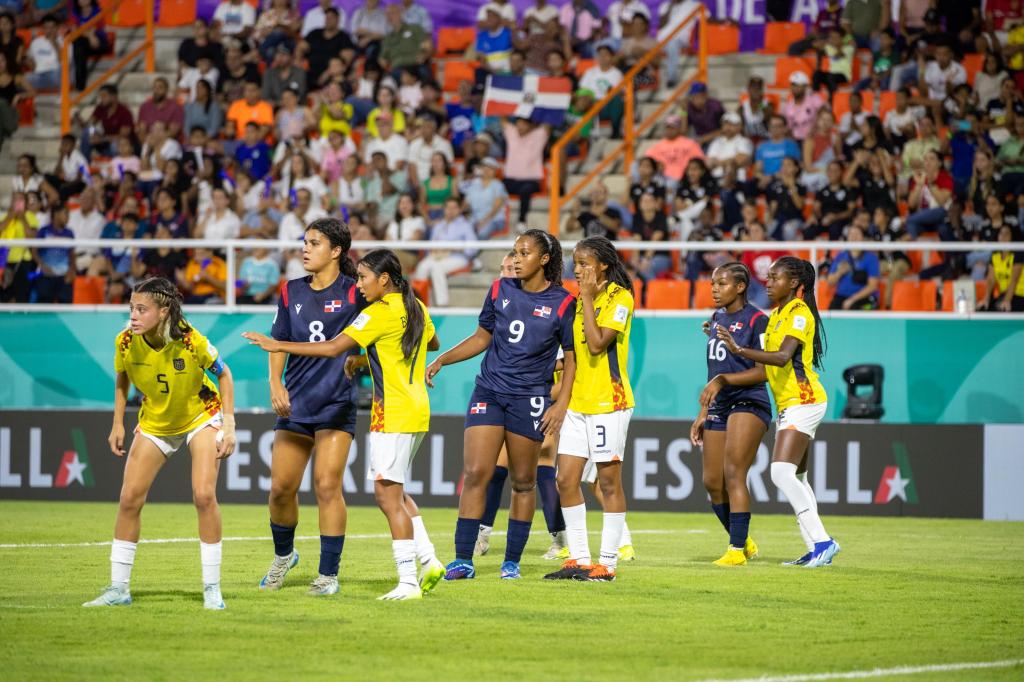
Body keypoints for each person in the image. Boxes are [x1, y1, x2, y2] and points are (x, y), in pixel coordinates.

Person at [244, 249, 445, 601]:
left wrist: (277, 345)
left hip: (391, 412)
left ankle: (408, 582)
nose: (360, 284)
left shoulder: (378, 313)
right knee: (397, 492)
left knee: (386, 496)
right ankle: (428, 560)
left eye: (366, 278)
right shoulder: (416, 307)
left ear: (383, 280)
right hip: (417, 410)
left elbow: (332, 347)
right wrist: (366, 360)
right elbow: (431, 342)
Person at [428, 230, 575, 581]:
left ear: (543, 260)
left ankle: (511, 562)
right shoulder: (499, 289)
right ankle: (463, 558)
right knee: (477, 472)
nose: (517, 258)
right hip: (489, 391)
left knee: (523, 482)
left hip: (530, 398)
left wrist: (561, 405)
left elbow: (572, 359)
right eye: (515, 252)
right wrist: (443, 360)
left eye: (525, 253)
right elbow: (483, 337)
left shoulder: (564, 303)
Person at [84, 277, 236, 609]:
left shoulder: (191, 339)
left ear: (164, 311)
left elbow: (224, 374)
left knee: (204, 494)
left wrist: (229, 423)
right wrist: (117, 423)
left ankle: (212, 587)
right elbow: (122, 377)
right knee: (129, 499)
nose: (133, 316)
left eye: (141, 309)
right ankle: (118, 588)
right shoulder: (125, 342)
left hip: (200, 415)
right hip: (155, 422)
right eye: (131, 309)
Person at [250, 219, 366, 596]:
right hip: (295, 402)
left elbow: (382, 335)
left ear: (336, 251)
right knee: (281, 488)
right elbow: (278, 341)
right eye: (304, 242)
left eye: (314, 243)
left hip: (335, 401)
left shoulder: (356, 292)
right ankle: (284, 556)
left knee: (327, 485)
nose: (305, 249)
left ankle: (328, 575)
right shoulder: (290, 290)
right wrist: (275, 382)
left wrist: (361, 362)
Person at [702, 256, 839, 568]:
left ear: (794, 284)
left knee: (780, 472)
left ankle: (824, 542)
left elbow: (780, 358)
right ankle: (816, 548)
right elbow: (763, 351)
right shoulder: (778, 315)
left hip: (804, 399)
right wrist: (722, 337)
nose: (768, 281)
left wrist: (738, 350)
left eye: (775, 277)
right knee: (799, 479)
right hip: (789, 403)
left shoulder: (799, 313)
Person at [544, 235, 634, 582]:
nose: (576, 270)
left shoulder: (620, 298)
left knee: (609, 484)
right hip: (578, 405)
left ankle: (607, 564)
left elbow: (597, 346)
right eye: (575, 263)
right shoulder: (578, 302)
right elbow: (574, 354)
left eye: (584, 264)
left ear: (603, 267)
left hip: (608, 403)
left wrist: (585, 296)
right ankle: (580, 560)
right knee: (565, 479)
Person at [689, 263, 769, 566]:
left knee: (734, 472)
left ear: (740, 287)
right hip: (720, 405)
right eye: (712, 283)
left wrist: (722, 382)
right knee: (712, 481)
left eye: (722, 284)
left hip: (749, 402)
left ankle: (735, 551)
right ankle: (744, 540)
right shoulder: (717, 318)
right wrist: (702, 412)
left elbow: (762, 372)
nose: (714, 289)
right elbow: (715, 371)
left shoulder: (758, 320)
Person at [412, 197, 477, 306]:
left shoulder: (465, 225)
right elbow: (430, 246)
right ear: (444, 209)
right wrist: (434, 249)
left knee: (437, 268)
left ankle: (442, 306)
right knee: (422, 267)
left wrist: (454, 247)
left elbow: (473, 248)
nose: (451, 211)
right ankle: (420, 305)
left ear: (459, 209)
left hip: (458, 257)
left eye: (454, 208)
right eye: (448, 208)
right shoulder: (438, 225)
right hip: (437, 256)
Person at [502, 117, 549, 231]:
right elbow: (503, 119)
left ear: (531, 126)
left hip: (531, 181)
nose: (520, 127)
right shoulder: (512, 133)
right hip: (510, 180)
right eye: (518, 124)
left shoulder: (538, 135)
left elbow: (548, 124)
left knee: (526, 190)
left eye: (523, 124)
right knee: (496, 187)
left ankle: (521, 220)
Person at [825, 222, 881, 310]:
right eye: (851, 234)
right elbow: (830, 281)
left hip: (864, 298)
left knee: (854, 309)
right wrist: (839, 272)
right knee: (831, 314)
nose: (854, 237)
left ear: (863, 237)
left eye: (857, 234)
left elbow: (872, 286)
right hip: (842, 296)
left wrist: (852, 300)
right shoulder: (841, 255)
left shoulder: (871, 258)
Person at [981, 224, 1024, 312]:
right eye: (1001, 233)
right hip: (1004, 294)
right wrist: (986, 299)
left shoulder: (1018, 254)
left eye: (1006, 234)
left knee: (1001, 309)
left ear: (1012, 237)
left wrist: (1007, 300)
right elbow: (990, 279)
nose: (1003, 236)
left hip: (1020, 295)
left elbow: (1014, 280)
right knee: (982, 310)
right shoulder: (995, 255)